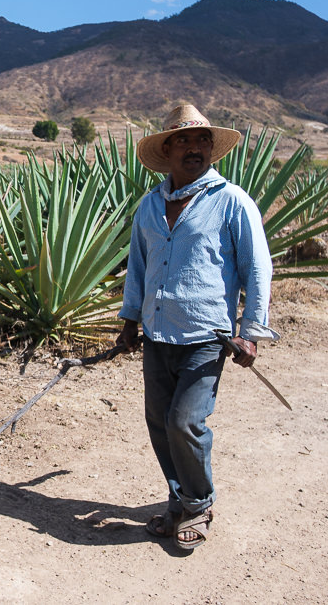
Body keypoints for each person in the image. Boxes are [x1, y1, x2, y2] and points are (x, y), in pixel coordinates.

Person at [115, 104, 278, 551]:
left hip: (207, 336)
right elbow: (138, 269)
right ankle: (177, 501)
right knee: (158, 422)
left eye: (202, 141)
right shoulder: (150, 205)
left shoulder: (231, 201)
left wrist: (251, 331)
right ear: (166, 150)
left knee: (186, 421)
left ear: (212, 150)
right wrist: (130, 321)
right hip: (157, 333)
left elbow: (257, 269)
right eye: (184, 141)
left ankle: (199, 502)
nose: (194, 148)